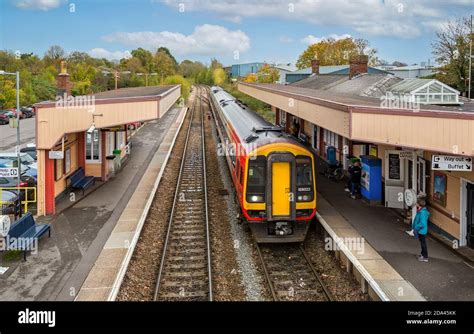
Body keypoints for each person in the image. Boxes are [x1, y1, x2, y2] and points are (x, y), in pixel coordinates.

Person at [413, 197, 430, 262]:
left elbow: (422, 224)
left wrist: (416, 227)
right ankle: (423, 255)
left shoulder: (422, 212)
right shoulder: (421, 211)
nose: (416, 204)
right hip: (421, 230)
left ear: (419, 204)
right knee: (422, 243)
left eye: (417, 203)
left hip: (421, 231)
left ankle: (425, 257)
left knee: (423, 244)